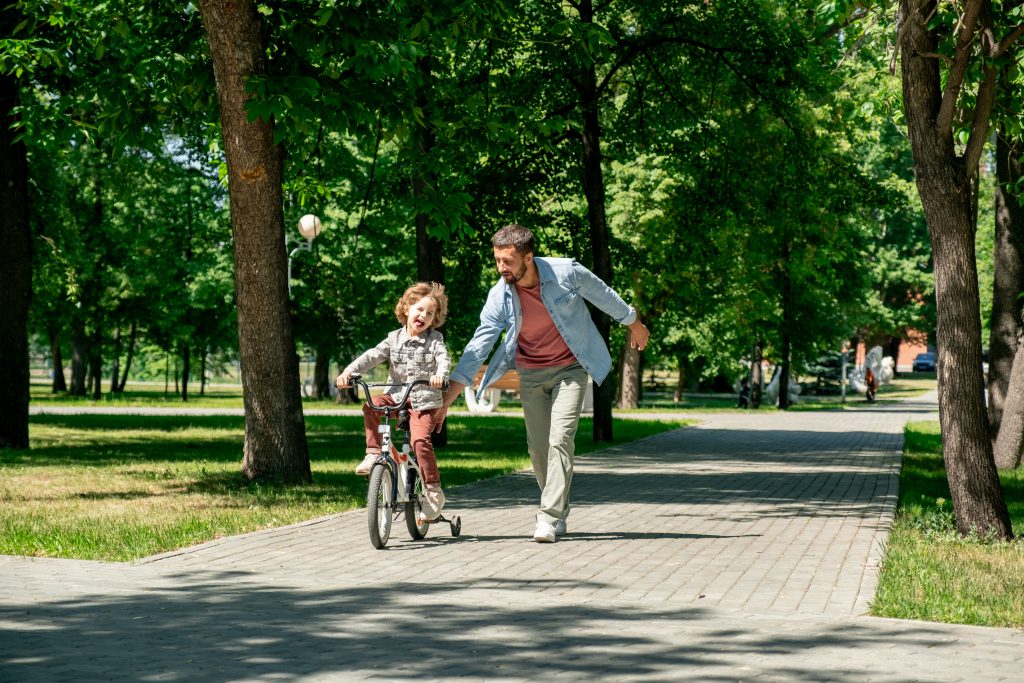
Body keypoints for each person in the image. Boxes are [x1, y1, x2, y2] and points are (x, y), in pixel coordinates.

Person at [437, 224, 649, 543]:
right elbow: (479, 344)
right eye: (497, 260)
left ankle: (548, 517)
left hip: (571, 368)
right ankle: (559, 510)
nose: (500, 268)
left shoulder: (566, 272)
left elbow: (603, 295)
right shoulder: (500, 295)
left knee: (560, 439)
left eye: (507, 261)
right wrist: (449, 397)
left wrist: (634, 323)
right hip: (531, 372)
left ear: (529, 257)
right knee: (538, 449)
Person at [336, 282, 451, 521]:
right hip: (397, 395)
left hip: (424, 400)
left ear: (435, 319)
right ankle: (373, 452)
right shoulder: (393, 339)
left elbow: (443, 358)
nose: (423, 316)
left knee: (420, 441)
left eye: (430, 314)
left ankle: (432, 489)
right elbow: (371, 356)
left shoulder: (435, 340)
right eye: (419, 309)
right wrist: (348, 372)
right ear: (407, 308)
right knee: (371, 405)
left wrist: (440, 376)